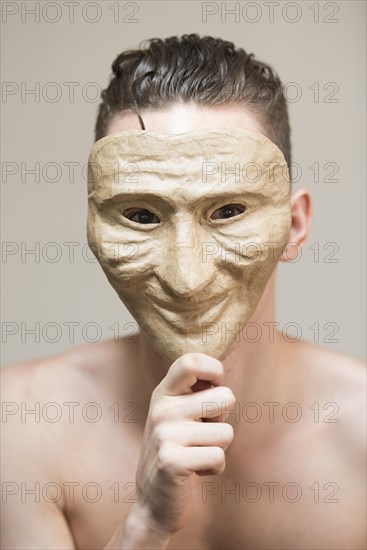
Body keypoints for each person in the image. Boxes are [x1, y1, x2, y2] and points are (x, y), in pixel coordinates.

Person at [1, 34, 365, 550]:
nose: (186, 278)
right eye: (142, 216)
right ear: (92, 228)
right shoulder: (21, 424)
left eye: (228, 212)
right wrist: (143, 528)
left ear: (295, 224)